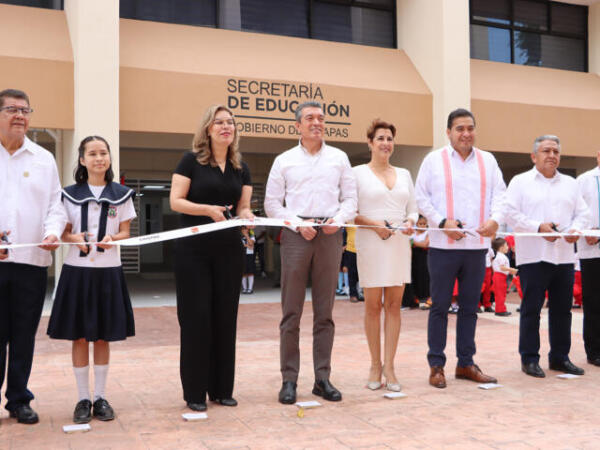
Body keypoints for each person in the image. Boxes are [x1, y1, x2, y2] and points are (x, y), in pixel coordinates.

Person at [264, 101, 357, 405]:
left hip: (330, 236)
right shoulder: (284, 161)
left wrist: (338, 220)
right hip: (295, 236)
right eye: (309, 118)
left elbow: (350, 199)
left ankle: (322, 378)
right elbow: (272, 204)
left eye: (320, 118)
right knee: (291, 311)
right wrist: (295, 224)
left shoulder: (339, 158)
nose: (316, 122)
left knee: (325, 312)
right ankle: (289, 379)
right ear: (298, 126)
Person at [170, 105, 253, 412]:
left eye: (230, 122)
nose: (225, 126)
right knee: (196, 319)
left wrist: (248, 215)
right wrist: (207, 210)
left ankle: (221, 389)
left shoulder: (240, 166)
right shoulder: (190, 160)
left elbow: (242, 206)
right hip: (193, 250)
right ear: (208, 128)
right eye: (219, 122)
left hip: (229, 250)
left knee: (224, 318)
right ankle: (194, 392)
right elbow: (176, 201)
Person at [47, 136, 136, 423]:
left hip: (108, 272)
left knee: (102, 335)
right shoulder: (68, 193)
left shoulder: (122, 194)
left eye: (103, 153)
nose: (99, 158)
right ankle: (82, 398)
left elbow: (125, 232)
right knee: (80, 335)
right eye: (92, 154)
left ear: (109, 158)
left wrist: (113, 239)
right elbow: (64, 232)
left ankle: (100, 397)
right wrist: (75, 238)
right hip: (78, 272)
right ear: (82, 161)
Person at [415, 108, 505, 389]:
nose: (466, 134)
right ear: (449, 132)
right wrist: (442, 222)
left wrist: (495, 220)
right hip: (443, 246)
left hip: (476, 247)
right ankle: (436, 365)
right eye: (459, 129)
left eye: (470, 128)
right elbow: (421, 197)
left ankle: (465, 362)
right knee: (440, 306)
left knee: (469, 308)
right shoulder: (433, 161)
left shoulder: (488, 161)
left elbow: (502, 196)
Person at [0, 88, 66, 424]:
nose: (20, 116)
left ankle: (19, 399)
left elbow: (57, 206)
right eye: (11, 109)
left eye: (25, 110)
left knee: (23, 334)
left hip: (31, 263)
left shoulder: (43, 159)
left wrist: (53, 232)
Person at [504, 135, 590, 378]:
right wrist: (537, 227)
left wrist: (575, 230)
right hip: (533, 255)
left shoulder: (571, 184)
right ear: (534, 156)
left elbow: (583, 214)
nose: (552, 155)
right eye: (546, 151)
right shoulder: (520, 182)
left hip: (563, 255)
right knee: (531, 308)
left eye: (555, 151)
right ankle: (529, 358)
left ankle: (560, 357)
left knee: (562, 309)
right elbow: (510, 213)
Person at [353, 119, 418, 392]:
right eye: (380, 138)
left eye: (389, 138)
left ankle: (390, 366)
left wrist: (411, 222)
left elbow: (413, 209)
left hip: (399, 244)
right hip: (370, 242)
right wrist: (374, 226)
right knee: (372, 306)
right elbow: (349, 211)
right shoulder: (356, 173)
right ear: (370, 142)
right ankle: (374, 364)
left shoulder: (404, 173)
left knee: (394, 306)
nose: (385, 143)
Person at [576, 150, 600, 366]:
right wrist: (585, 231)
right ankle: (594, 350)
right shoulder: (584, 180)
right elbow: (575, 212)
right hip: (593, 250)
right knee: (594, 301)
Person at [491, 237, 517, 317]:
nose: (508, 247)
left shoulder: (500, 256)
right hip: (499, 276)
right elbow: (502, 267)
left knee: (500, 293)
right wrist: (511, 269)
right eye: (506, 245)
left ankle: (500, 309)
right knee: (500, 294)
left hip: (499, 276)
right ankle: (500, 310)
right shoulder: (501, 257)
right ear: (501, 247)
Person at [412, 215, 431, 310]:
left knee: (424, 277)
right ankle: (417, 298)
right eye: (420, 224)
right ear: (416, 224)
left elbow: (425, 244)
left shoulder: (428, 233)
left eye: (424, 224)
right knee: (415, 276)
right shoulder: (413, 232)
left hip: (424, 256)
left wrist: (412, 242)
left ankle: (425, 298)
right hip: (414, 257)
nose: (422, 226)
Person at [241, 226, 256, 294]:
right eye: (243, 229)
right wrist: (248, 246)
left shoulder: (251, 236)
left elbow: (251, 244)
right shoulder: (239, 237)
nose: (244, 230)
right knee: (243, 272)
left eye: (246, 229)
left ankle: (250, 288)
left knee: (250, 272)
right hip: (242, 255)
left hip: (249, 255)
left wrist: (246, 236)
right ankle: (244, 288)